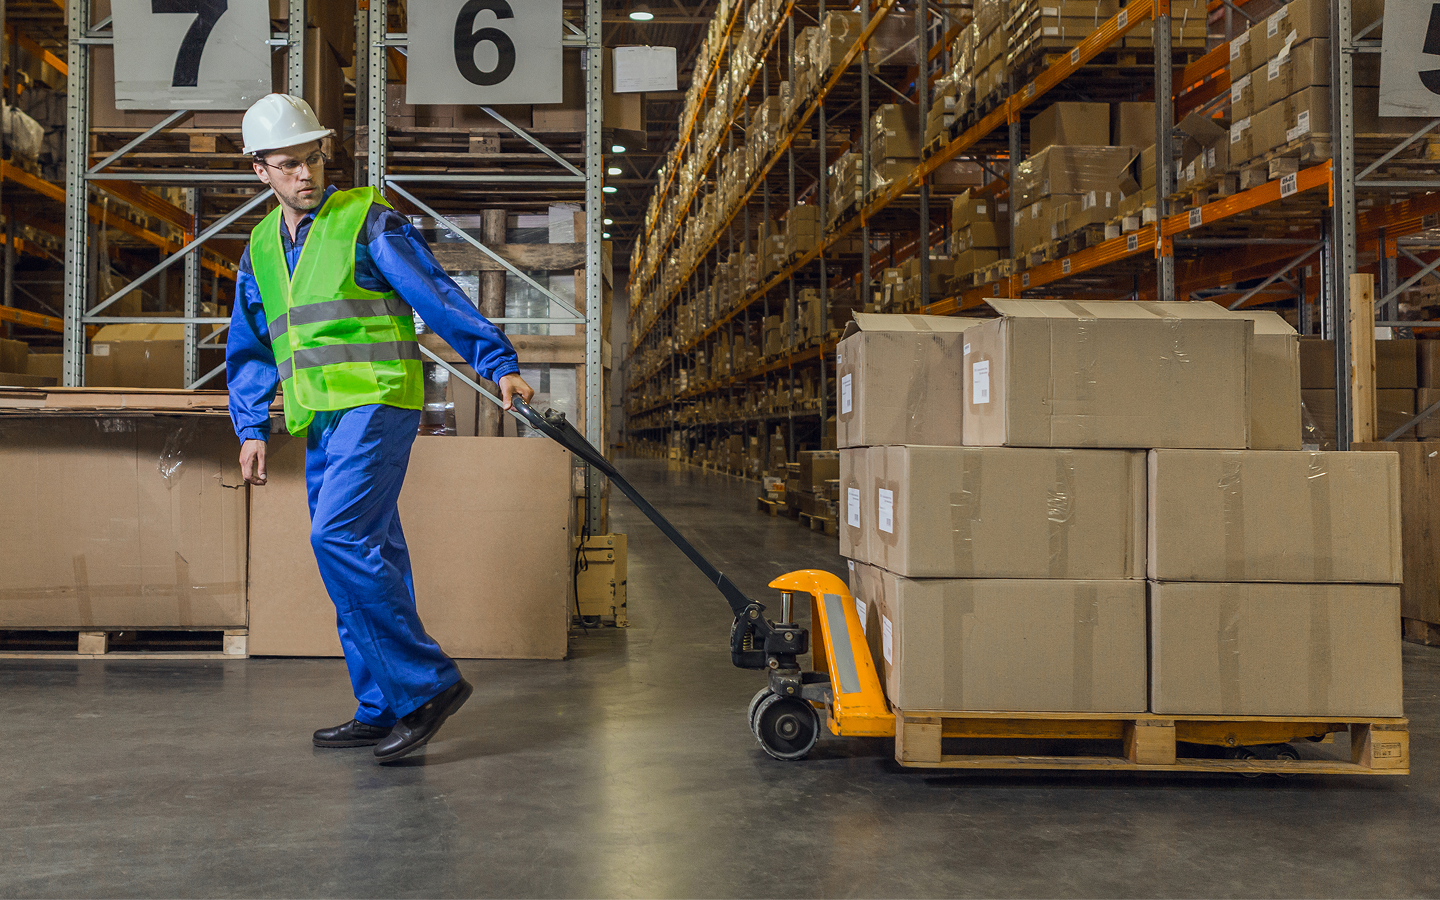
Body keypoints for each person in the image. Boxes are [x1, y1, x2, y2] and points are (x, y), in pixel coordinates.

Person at [226, 94, 534, 764]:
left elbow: (436, 294)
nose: (305, 173)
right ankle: (381, 703)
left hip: (378, 403)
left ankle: (427, 687)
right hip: (319, 418)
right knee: (365, 555)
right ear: (261, 172)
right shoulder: (257, 249)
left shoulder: (366, 220)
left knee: (336, 536)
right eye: (287, 164)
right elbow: (250, 346)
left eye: (312, 157)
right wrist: (251, 426)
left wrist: (495, 361)